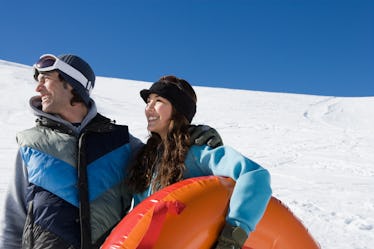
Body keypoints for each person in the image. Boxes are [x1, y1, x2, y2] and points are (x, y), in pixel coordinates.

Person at [0, 54, 222, 249]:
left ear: (71, 85)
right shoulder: (32, 144)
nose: (38, 88)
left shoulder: (121, 144)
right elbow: (14, 219)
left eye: (46, 80)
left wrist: (193, 136)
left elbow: (166, 158)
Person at [127, 75, 272, 249]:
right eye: (148, 101)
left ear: (178, 110)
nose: (148, 107)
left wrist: (234, 234)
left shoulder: (196, 152)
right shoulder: (145, 157)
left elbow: (254, 175)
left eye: (158, 101)